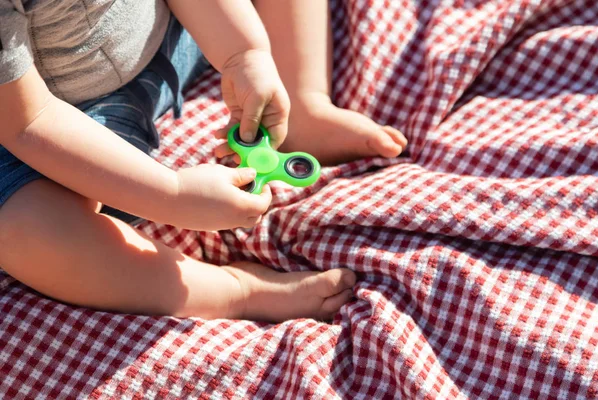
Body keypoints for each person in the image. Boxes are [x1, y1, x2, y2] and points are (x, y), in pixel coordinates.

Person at [0, 0, 405, 321]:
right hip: (41, 119)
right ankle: (234, 290)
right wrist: (171, 195)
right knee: (25, 232)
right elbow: (28, 122)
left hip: (175, 33)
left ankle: (302, 101)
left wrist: (245, 55)